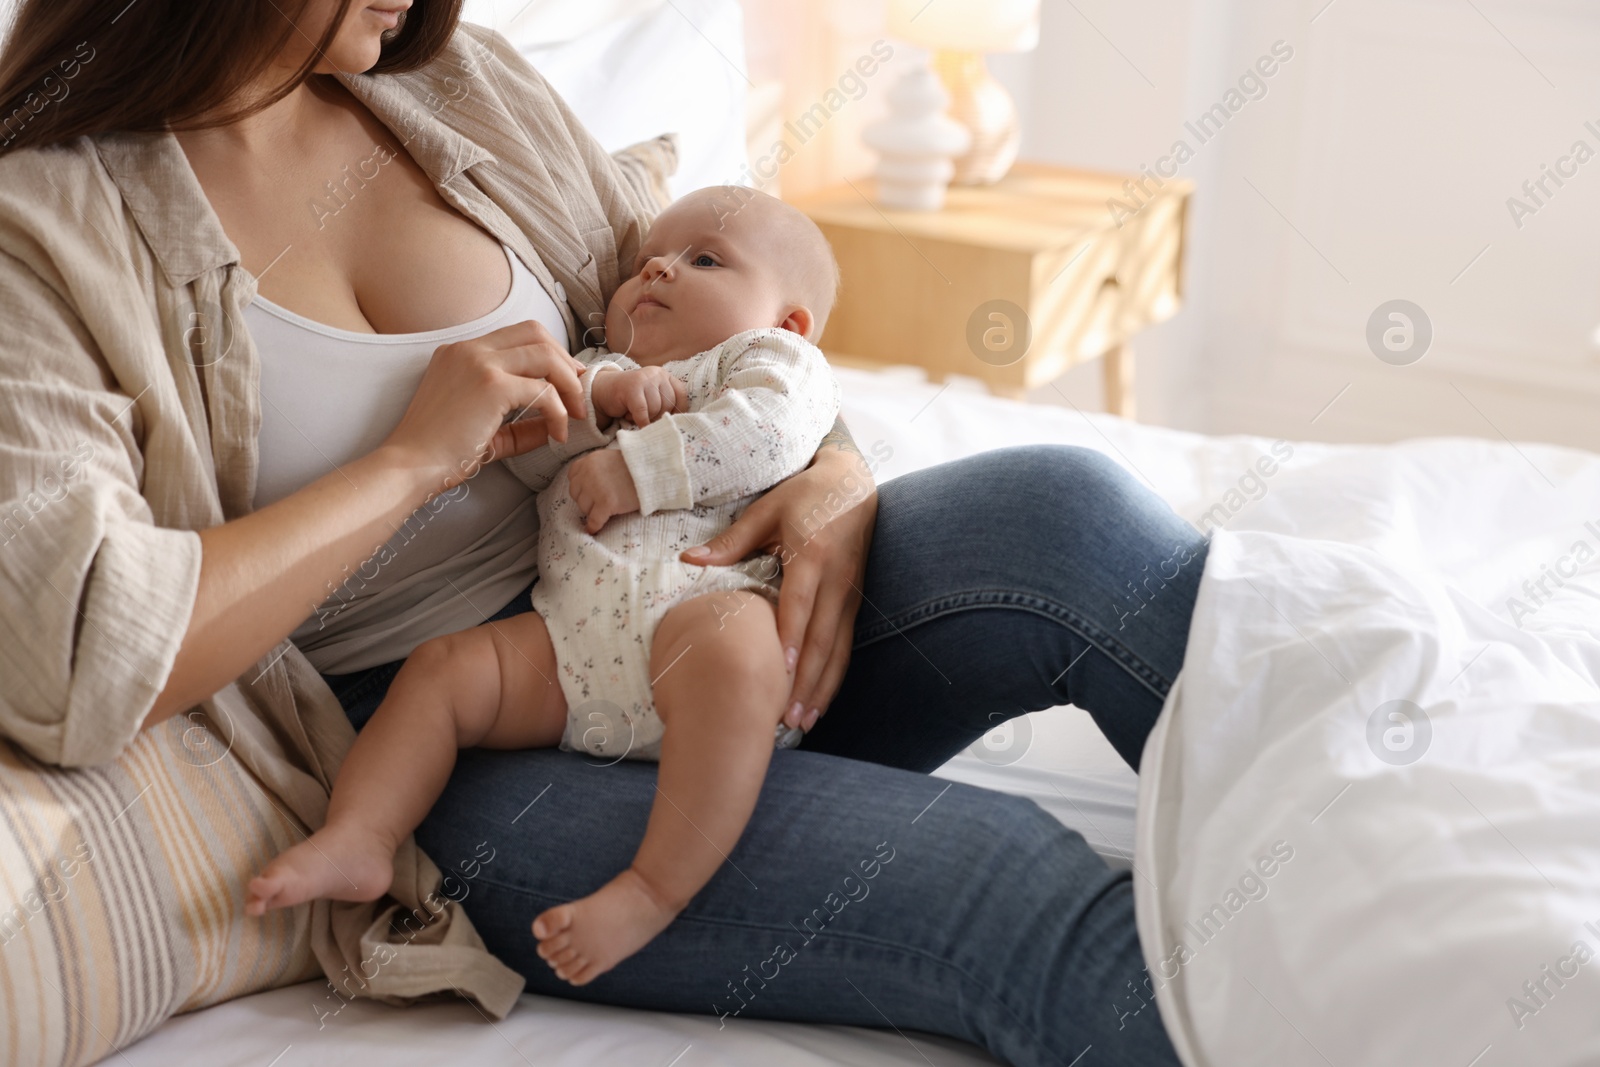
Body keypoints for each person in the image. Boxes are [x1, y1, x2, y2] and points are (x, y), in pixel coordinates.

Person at [0, 2, 1206, 1064]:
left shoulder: (454, 84)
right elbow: (86, 647)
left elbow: (730, 324)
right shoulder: (42, 219)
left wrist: (834, 470)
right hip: (459, 729)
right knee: (1017, 894)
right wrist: (414, 459)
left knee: (1075, 520)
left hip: (698, 588)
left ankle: (1358, 879)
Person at [247, 187, 846, 989]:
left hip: (700, 609)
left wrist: (639, 467)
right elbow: (523, 457)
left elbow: (770, 434)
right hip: (569, 646)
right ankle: (363, 835)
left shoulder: (767, 363)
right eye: (645, 263)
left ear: (788, 320)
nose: (659, 267)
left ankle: (650, 890)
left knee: (735, 656)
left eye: (704, 259)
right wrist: (597, 403)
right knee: (443, 670)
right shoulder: (606, 368)